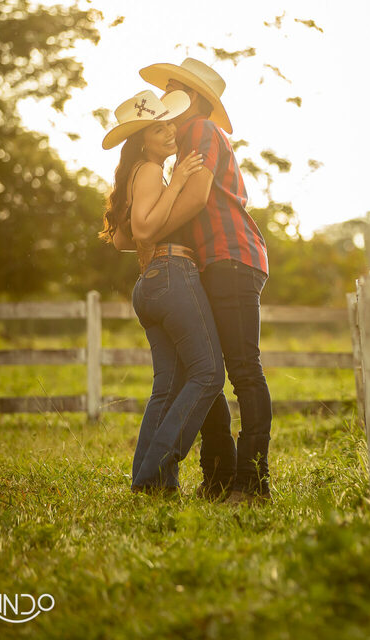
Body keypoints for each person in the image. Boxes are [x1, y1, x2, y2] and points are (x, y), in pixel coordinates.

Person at [138, 57, 273, 502]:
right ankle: (217, 475)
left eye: (173, 89)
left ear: (191, 98)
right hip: (211, 262)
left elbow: (195, 198)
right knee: (207, 366)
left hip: (230, 256)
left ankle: (253, 481)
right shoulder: (178, 148)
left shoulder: (199, 130)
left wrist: (149, 230)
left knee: (242, 370)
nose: (164, 99)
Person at [99, 89, 233, 494]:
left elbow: (122, 237)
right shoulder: (151, 171)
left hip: (151, 284)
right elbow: (141, 230)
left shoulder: (135, 174)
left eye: (170, 122)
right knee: (209, 373)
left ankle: (149, 483)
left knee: (167, 386)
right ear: (142, 138)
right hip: (174, 275)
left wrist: (154, 231)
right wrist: (176, 182)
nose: (170, 130)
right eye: (159, 127)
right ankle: (157, 470)